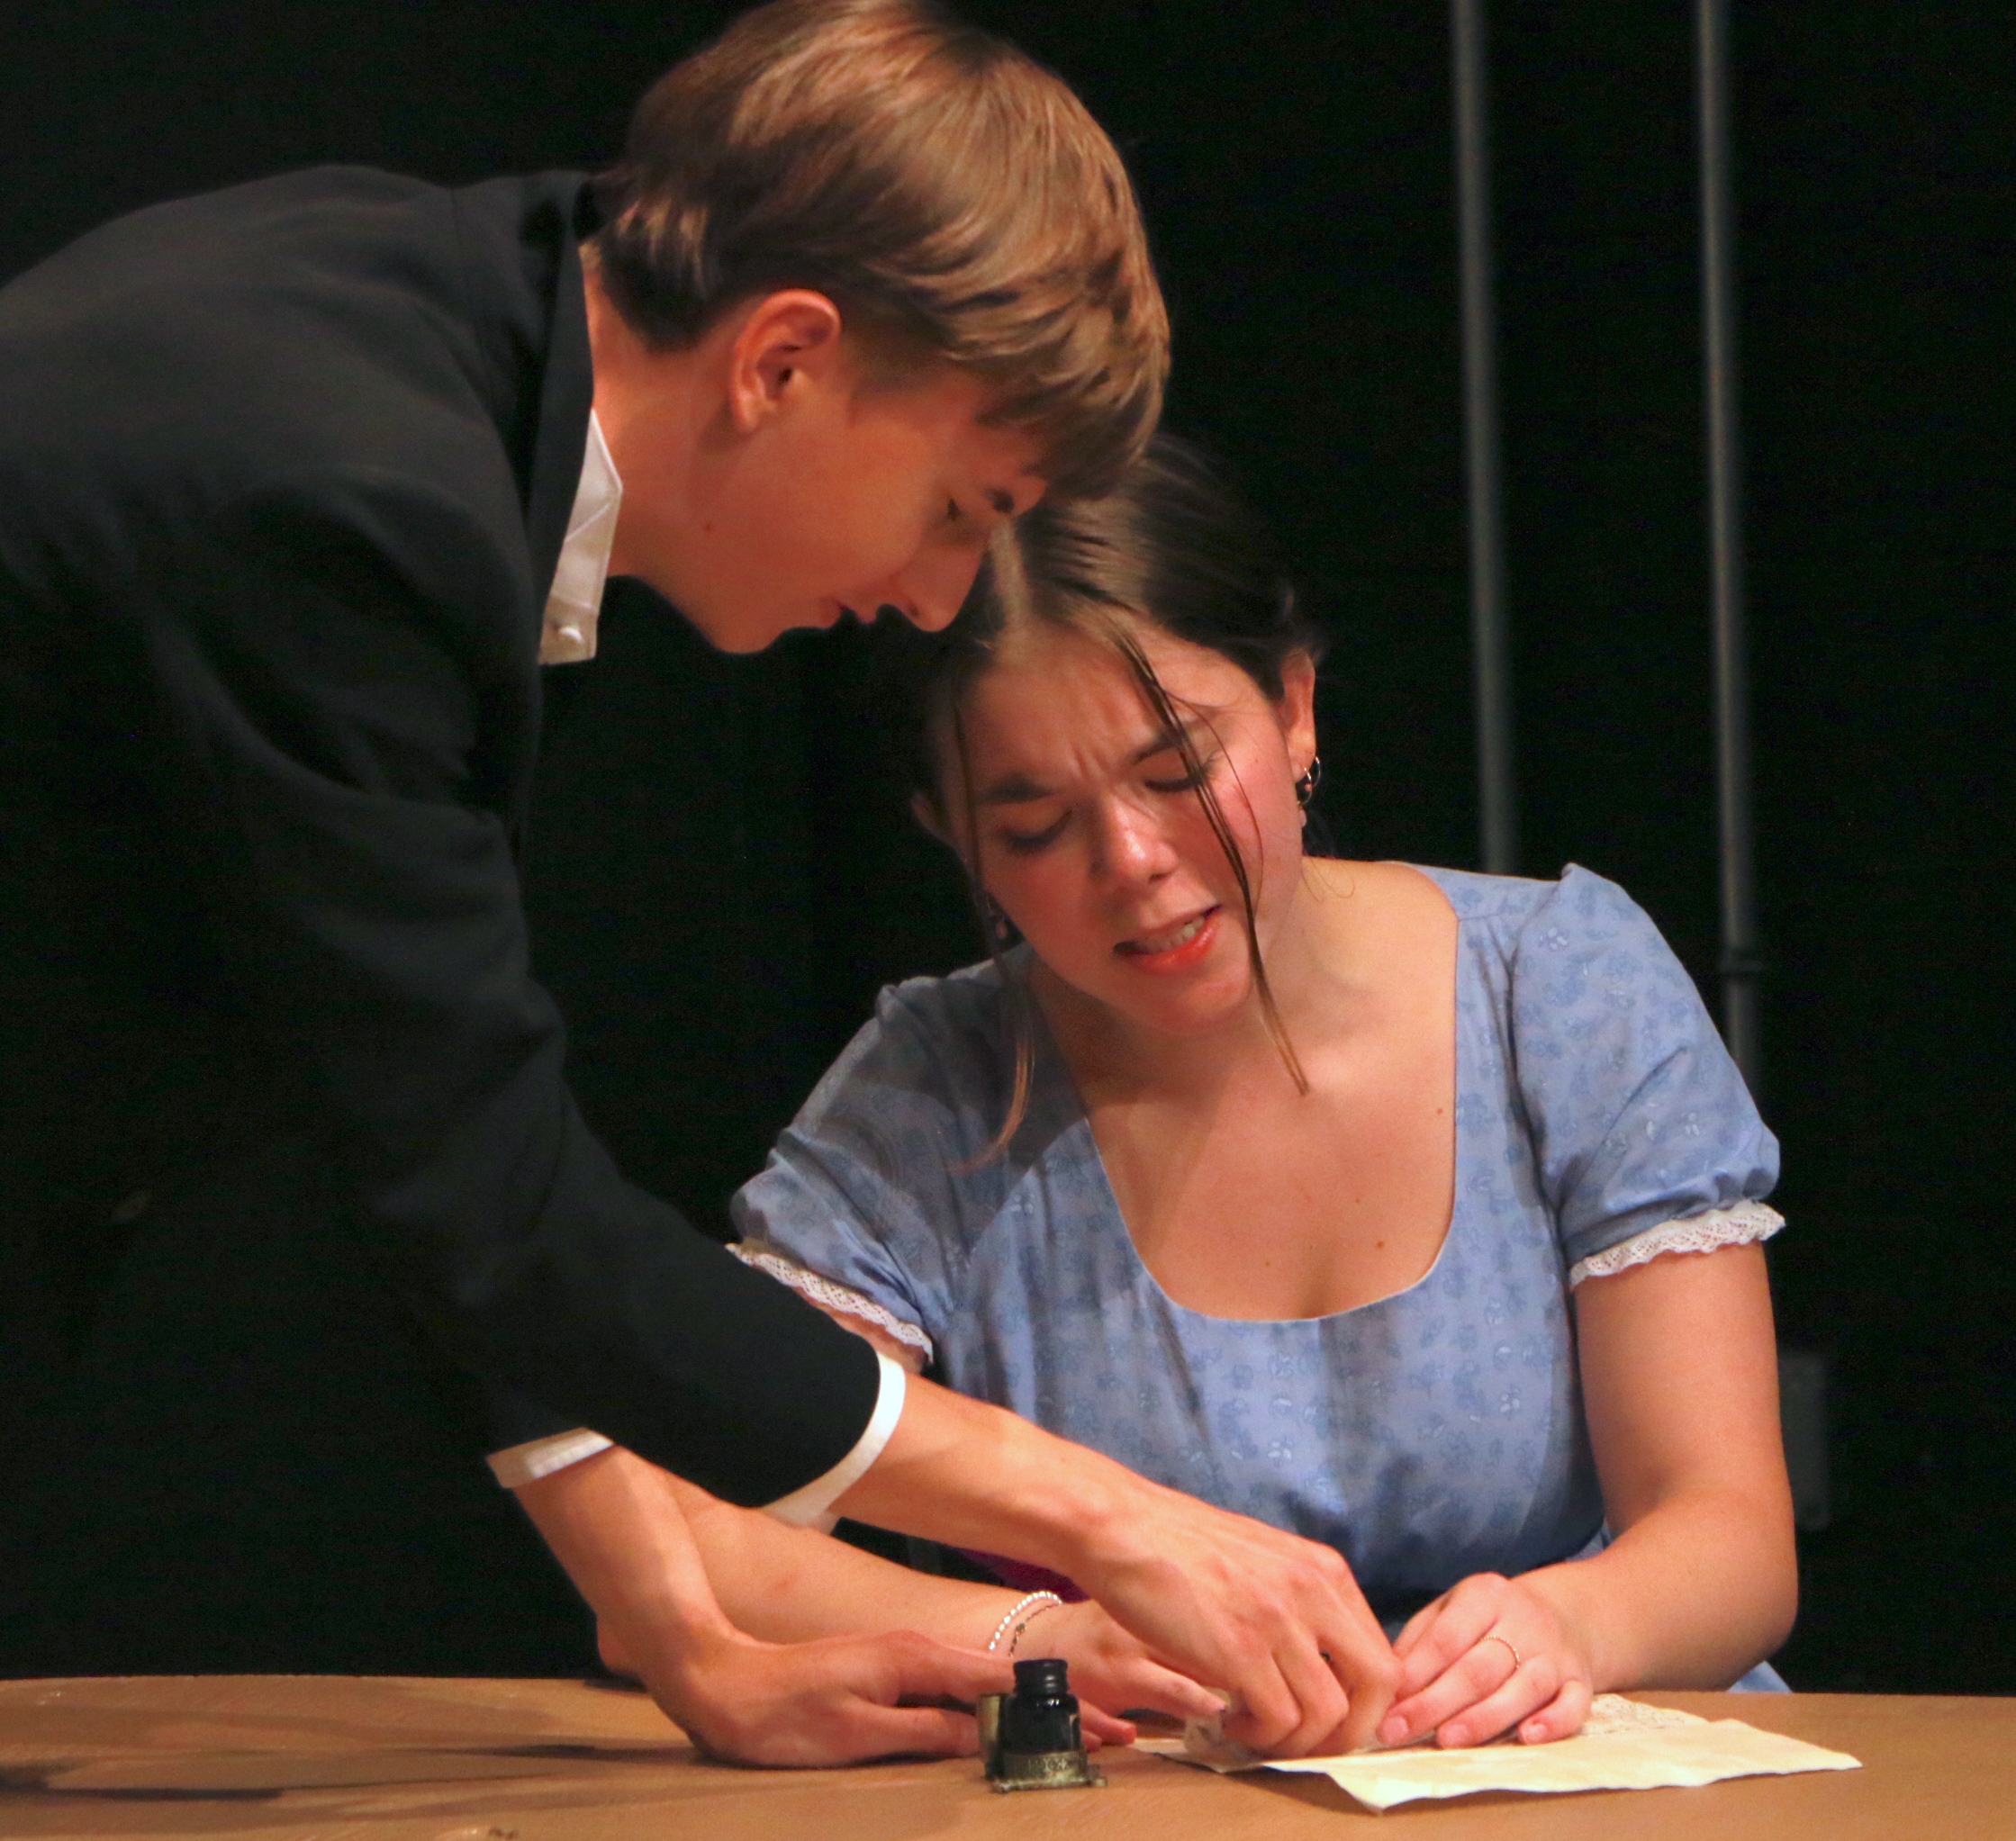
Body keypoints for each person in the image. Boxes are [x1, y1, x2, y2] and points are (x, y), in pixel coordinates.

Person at [0, 0, 1393, 1764]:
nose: (940, 595)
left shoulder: (459, 360)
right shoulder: (347, 493)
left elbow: (420, 1134)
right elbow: (500, 1210)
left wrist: (690, 1643)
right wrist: (1117, 1522)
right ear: (784, 360)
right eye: (964, 507)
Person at [720, 433, 1800, 1748]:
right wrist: (1038, 1638)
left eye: (1177, 772)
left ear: (1295, 707)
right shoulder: (939, 1088)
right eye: (1036, 827)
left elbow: (1732, 1532)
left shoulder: (1556, 990)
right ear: (953, 832)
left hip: (1571, 1767)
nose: (1134, 862)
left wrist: (1576, 1623)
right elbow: (708, 1543)